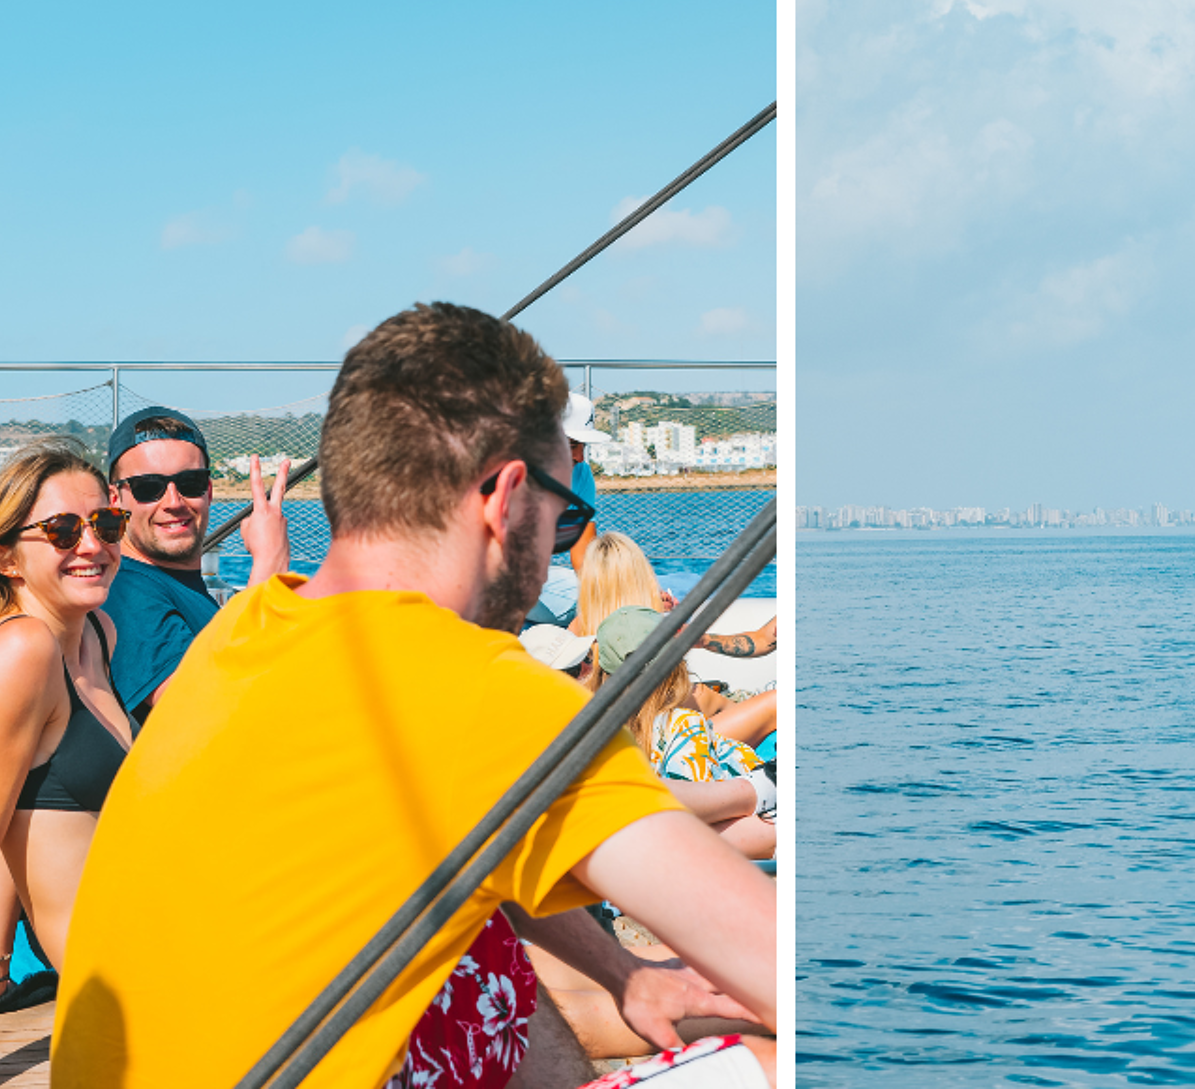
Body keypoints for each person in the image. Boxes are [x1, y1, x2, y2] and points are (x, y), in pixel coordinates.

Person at [54, 303, 774, 1088]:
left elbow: (465, 843)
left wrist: (625, 972)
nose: (554, 544)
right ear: (504, 499)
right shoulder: (488, 693)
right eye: (561, 513)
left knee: (468, 939)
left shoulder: (245, 631)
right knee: (774, 1063)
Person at [0, 440, 134, 1088]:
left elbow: (29, 815)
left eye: (106, 523)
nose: (91, 544)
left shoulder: (96, 632)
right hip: (122, 973)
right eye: (63, 530)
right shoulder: (18, 658)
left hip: (159, 919)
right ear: (5, 556)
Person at [101, 407, 291, 722]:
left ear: (209, 490)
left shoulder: (175, 585)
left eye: (190, 483)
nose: (174, 502)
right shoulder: (126, 591)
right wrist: (270, 565)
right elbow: (205, 712)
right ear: (115, 500)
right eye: (148, 487)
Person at [589, 607, 774, 860]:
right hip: (731, 825)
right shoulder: (683, 725)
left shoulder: (594, 728)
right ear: (678, 665)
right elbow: (702, 813)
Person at [572, 531, 777, 748]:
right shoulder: (651, 631)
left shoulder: (577, 631)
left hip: (619, 743)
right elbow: (684, 699)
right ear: (641, 577)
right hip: (665, 744)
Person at [564, 392, 608, 572]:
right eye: (571, 445)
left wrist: (639, 593)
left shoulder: (581, 474)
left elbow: (584, 560)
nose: (580, 457)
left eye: (583, 445)